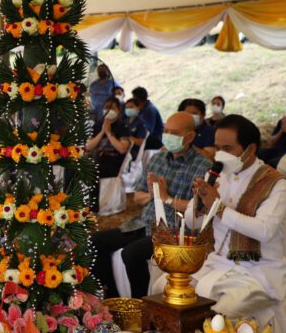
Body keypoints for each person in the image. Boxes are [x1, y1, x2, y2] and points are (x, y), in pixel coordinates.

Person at [181, 114, 286, 328]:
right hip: (217, 264)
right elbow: (192, 224)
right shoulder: (218, 175)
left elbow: (265, 231)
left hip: (257, 273)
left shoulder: (276, 183)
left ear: (250, 149)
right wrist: (200, 203)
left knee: (217, 318)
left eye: (228, 148)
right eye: (217, 147)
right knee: (167, 292)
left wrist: (219, 208)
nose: (220, 154)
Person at [90, 112, 211, 299]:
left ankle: (141, 305)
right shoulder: (158, 159)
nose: (168, 136)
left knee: (132, 254)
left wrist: (166, 198)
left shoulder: (202, 166)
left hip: (173, 231)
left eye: (174, 133)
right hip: (143, 222)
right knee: (94, 242)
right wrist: (153, 194)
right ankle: (112, 298)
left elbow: (199, 209)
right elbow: (137, 197)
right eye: (166, 131)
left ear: (190, 137)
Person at [86, 97, 130, 179]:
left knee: (93, 173)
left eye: (112, 108)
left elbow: (122, 149)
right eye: (106, 107)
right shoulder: (98, 125)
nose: (109, 110)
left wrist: (109, 133)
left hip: (115, 162)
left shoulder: (122, 127)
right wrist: (102, 132)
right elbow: (88, 146)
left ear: (118, 110)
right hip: (98, 159)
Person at [88, 57, 121, 122]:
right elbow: (89, 97)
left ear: (108, 71)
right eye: (99, 70)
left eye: (103, 70)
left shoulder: (113, 83)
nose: (101, 72)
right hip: (95, 112)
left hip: (109, 111)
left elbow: (118, 98)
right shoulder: (93, 85)